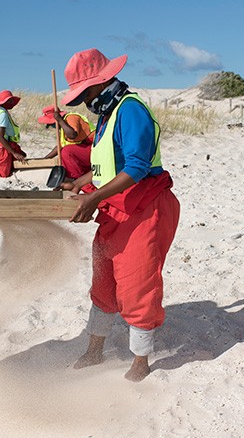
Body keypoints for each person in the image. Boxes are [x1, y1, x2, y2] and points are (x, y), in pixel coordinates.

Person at [58, 48, 180, 382]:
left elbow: (138, 167)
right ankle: (94, 350)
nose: (81, 101)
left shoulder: (130, 110)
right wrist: (79, 183)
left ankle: (141, 360)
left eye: (84, 93)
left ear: (100, 83)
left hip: (145, 209)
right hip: (115, 211)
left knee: (138, 284)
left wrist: (93, 197)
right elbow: (104, 168)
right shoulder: (106, 115)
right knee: (104, 280)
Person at [38, 104, 96, 180]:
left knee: (67, 151)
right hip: (84, 150)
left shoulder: (71, 118)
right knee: (65, 153)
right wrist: (45, 159)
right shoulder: (63, 128)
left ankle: (75, 179)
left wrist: (60, 121)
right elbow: (60, 146)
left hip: (94, 147)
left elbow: (72, 135)